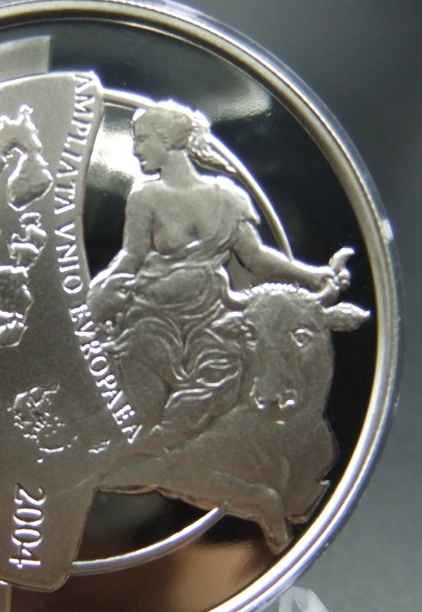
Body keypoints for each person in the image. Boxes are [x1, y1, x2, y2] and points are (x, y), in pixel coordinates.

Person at [87, 102, 336, 434]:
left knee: (211, 407)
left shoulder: (228, 197)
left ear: (168, 140)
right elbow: (132, 256)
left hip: (212, 315)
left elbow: (256, 257)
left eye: (143, 139)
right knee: (141, 404)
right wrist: (99, 291)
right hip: (151, 314)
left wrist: (309, 275)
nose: (136, 150)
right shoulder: (145, 196)